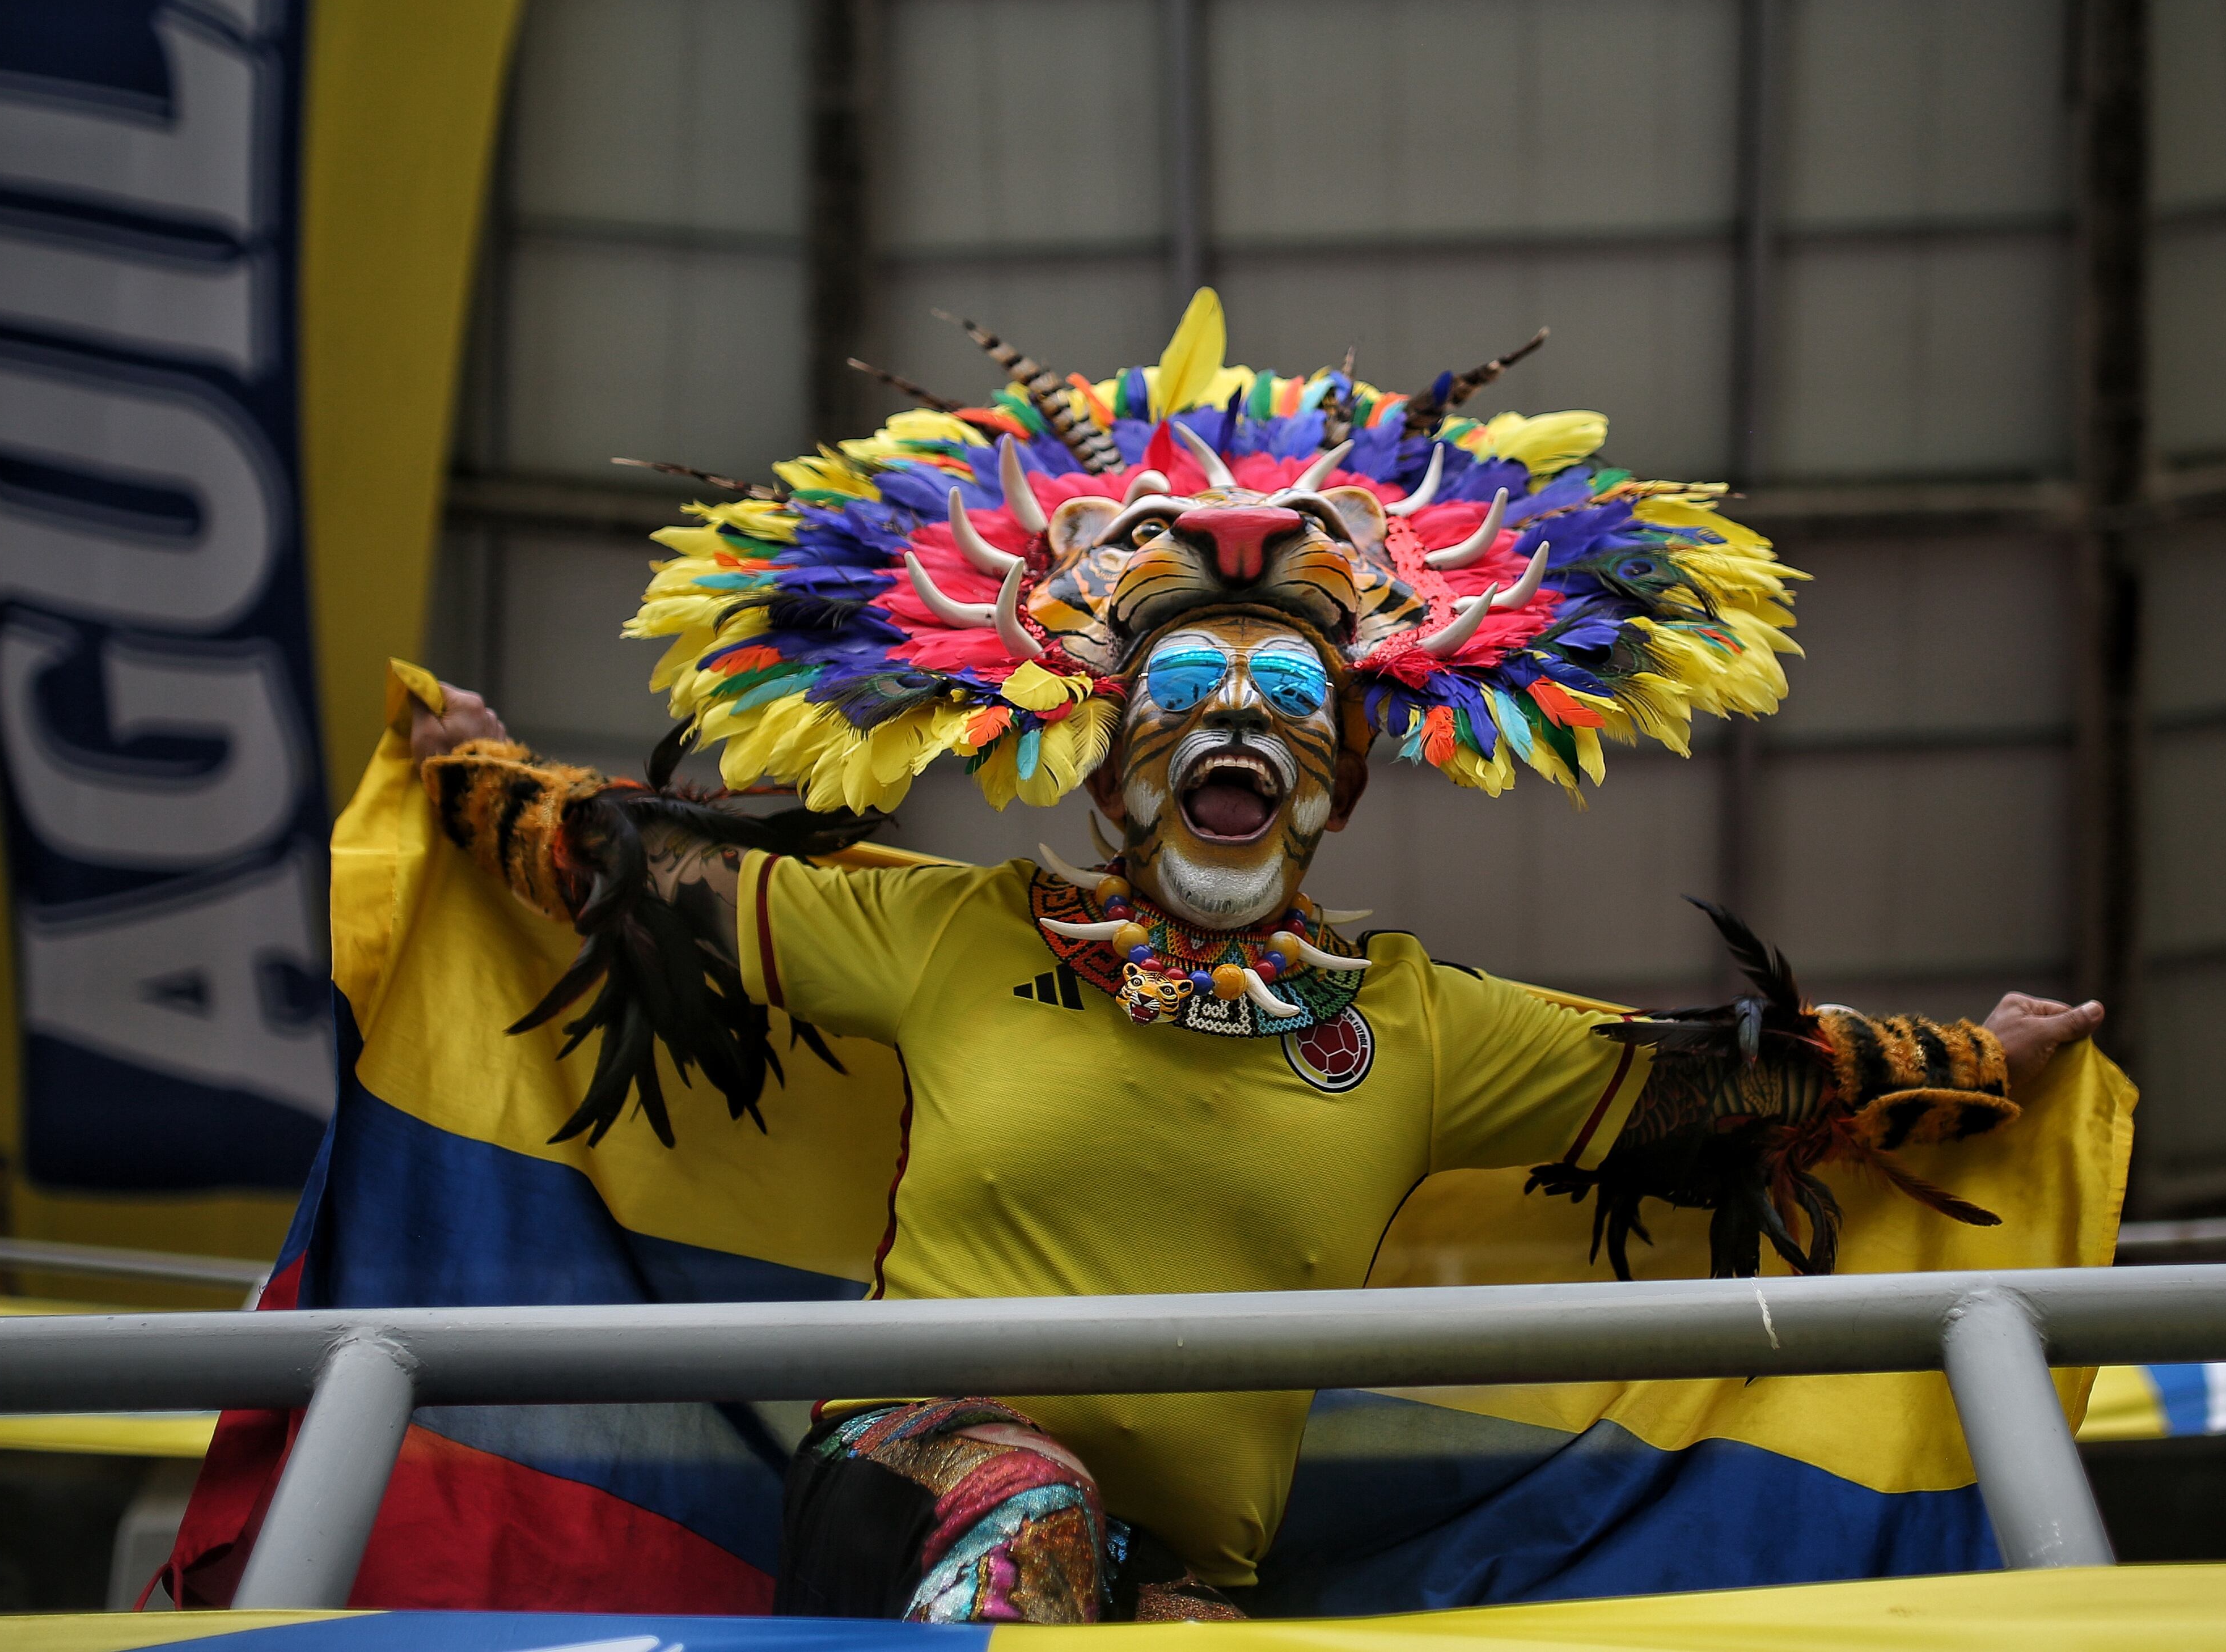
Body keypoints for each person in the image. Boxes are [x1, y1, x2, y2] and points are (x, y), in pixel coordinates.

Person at [406, 291, 2101, 1623]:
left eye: (1289, 702)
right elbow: (641, 880)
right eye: (1189, 694)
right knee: (1025, 1520)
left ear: (1341, 780)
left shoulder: (1413, 1024)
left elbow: (1710, 1089)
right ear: (1108, 758)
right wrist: (486, 776)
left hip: (1189, 1583)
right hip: (928, 1481)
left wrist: (1974, 1063)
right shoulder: (954, 932)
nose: (1238, 718)